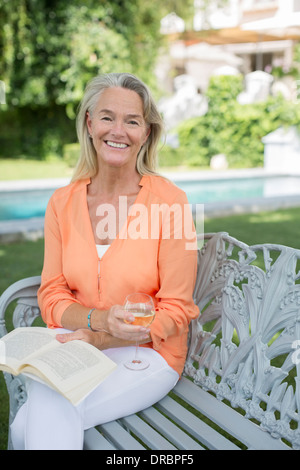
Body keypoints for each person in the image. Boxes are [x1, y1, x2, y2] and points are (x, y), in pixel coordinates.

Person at [10, 72, 199, 450]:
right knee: (30, 423)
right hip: (75, 345)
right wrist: (94, 323)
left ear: (146, 133)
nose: (119, 130)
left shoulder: (171, 202)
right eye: (108, 117)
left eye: (133, 121)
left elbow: (177, 309)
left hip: (147, 355)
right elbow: (52, 294)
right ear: (90, 123)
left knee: (30, 424)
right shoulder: (62, 203)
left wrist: (102, 337)